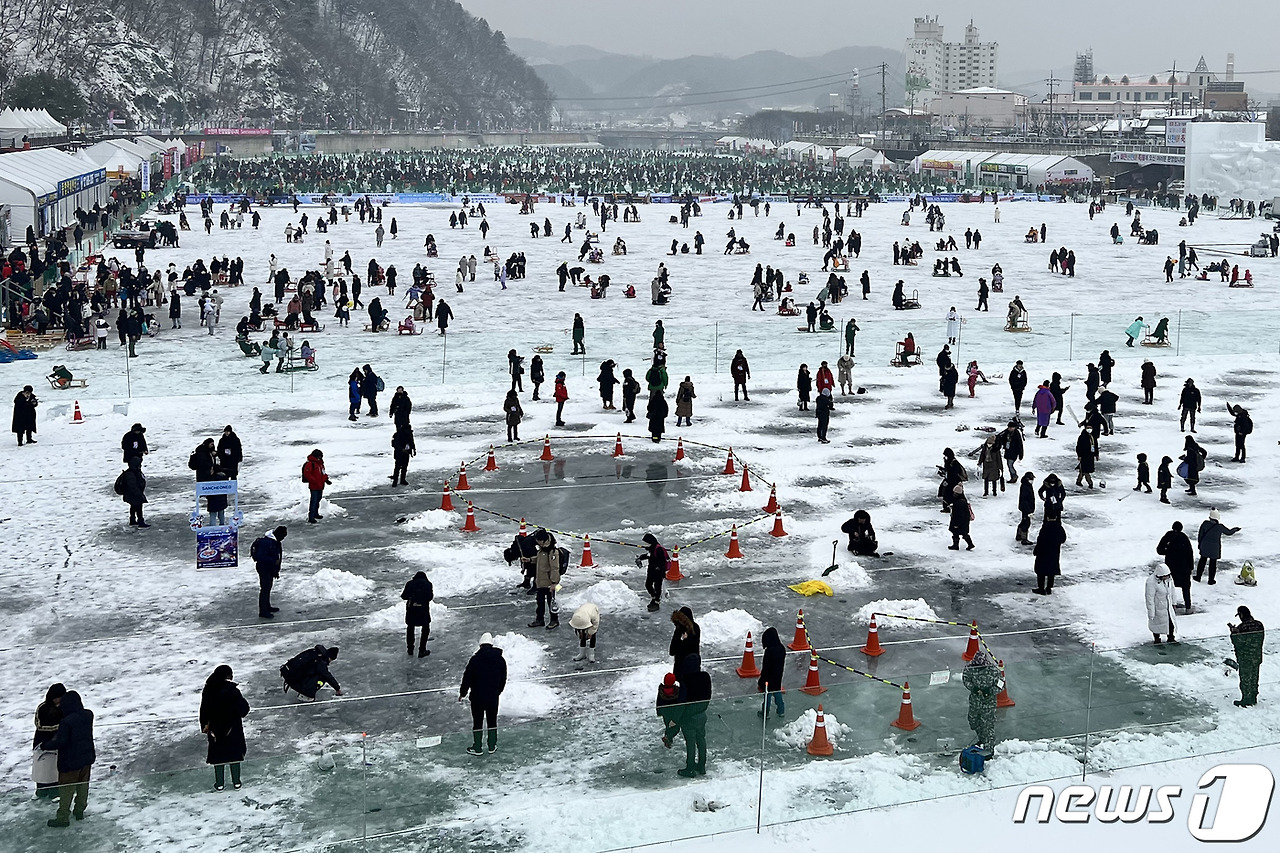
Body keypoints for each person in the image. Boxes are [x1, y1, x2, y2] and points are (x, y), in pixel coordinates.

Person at [44, 691, 94, 828]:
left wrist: (45, 745)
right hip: (86, 757)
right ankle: (79, 811)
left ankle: (63, 818)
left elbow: (61, 742)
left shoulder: (66, 722)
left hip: (70, 761)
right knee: (83, 786)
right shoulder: (88, 715)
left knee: (66, 790)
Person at [199, 666, 250, 792]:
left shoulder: (209, 689)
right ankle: (236, 782)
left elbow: (203, 709)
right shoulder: (233, 691)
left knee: (218, 756)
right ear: (228, 675)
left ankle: (220, 784)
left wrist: (204, 725)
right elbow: (243, 710)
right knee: (234, 755)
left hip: (215, 730)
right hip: (233, 729)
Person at [459, 633, 507, 755]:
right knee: (492, 721)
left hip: (477, 697)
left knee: (477, 722)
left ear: (480, 645)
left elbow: (467, 678)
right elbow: (503, 678)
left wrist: (463, 693)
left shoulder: (475, 660)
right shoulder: (500, 660)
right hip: (492, 697)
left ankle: (477, 747)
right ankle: (492, 745)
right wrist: (497, 692)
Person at [962, 649, 1001, 756]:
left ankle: (989, 749)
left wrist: (989, 691)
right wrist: (973, 688)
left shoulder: (993, 670)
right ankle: (982, 739)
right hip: (975, 701)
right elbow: (966, 679)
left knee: (987, 726)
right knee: (973, 721)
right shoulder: (970, 668)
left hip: (988, 703)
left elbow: (1001, 685)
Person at [32, 683, 66, 798]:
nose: (57, 700)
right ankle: (41, 791)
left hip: (58, 742)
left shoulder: (65, 707)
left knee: (55, 769)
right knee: (42, 769)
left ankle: (55, 792)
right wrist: (59, 727)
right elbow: (39, 724)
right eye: (56, 697)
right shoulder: (42, 708)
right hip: (43, 741)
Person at [1228, 606, 1265, 707]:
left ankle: (1246, 699)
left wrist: (1234, 633)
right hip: (1257, 657)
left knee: (1245, 679)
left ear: (1241, 615)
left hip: (1245, 658)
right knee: (1254, 678)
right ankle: (1253, 697)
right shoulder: (1259, 624)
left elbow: (1238, 643)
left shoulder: (1242, 627)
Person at [1157, 521, 1196, 613]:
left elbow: (1159, 550)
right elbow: (1190, 553)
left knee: (1169, 587)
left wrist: (1168, 552)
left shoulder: (1168, 536)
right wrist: (1191, 567)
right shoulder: (1184, 537)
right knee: (1186, 588)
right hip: (1183, 567)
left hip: (1171, 567)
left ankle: (1171, 606)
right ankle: (1188, 608)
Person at [250, 526, 287, 618]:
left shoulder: (275, 542)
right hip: (263, 568)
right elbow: (261, 557)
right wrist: (273, 562)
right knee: (265, 589)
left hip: (269, 568)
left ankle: (267, 606)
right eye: (283, 536)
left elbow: (277, 556)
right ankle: (263, 611)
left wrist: (275, 570)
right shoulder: (267, 543)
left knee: (268, 587)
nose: (283, 539)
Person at [527, 529, 561, 629]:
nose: (537, 542)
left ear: (543, 540)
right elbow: (539, 559)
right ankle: (539, 620)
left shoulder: (553, 552)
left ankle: (554, 620)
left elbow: (555, 568)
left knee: (551, 602)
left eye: (538, 540)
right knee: (540, 602)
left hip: (550, 583)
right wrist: (530, 560)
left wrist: (554, 583)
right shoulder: (542, 550)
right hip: (540, 582)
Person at [1196, 509, 1241, 584]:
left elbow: (1200, 535)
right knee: (1213, 564)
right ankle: (1211, 580)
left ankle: (1198, 577)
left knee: (1202, 561)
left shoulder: (1205, 524)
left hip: (1204, 546)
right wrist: (1235, 529)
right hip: (1214, 548)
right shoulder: (1220, 527)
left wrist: (1200, 544)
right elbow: (1229, 532)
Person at [402, 570, 434, 657]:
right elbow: (430, 597)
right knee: (425, 627)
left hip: (411, 609)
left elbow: (404, 596)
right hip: (423, 609)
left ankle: (410, 649)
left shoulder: (410, 583)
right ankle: (422, 650)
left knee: (410, 627)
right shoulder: (428, 584)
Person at [757, 626, 786, 719]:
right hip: (778, 676)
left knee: (767, 695)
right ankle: (781, 711)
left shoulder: (769, 651)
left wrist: (762, 679)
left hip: (768, 677)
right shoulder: (781, 648)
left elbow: (766, 667)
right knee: (777, 693)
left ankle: (765, 713)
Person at [1032, 517, 1066, 595]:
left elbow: (1040, 540)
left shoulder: (1045, 528)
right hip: (1054, 552)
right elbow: (1063, 539)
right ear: (1056, 517)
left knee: (1041, 570)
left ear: (1047, 518)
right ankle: (1049, 588)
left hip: (1043, 552)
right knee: (1051, 570)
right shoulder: (1059, 527)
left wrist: (1036, 550)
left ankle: (1041, 588)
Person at [1145, 565, 1178, 644]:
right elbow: (1149, 598)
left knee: (1171, 623)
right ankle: (1157, 639)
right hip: (1158, 608)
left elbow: (1172, 591)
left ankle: (1171, 638)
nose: (1166, 578)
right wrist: (1151, 612)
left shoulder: (1168, 580)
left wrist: (1174, 602)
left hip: (1168, 607)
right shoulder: (1151, 582)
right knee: (1157, 624)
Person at [637, 532, 670, 611]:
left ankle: (657, 601)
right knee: (648, 584)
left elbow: (662, 561)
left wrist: (658, 568)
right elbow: (649, 555)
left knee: (657, 587)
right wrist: (640, 557)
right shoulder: (651, 549)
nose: (645, 544)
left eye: (646, 543)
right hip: (651, 570)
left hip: (658, 572)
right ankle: (654, 597)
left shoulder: (658, 549)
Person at [669, 606, 702, 681]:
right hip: (691, 665)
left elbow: (673, 650)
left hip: (684, 666)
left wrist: (682, 640)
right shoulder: (692, 628)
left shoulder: (683, 629)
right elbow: (672, 650)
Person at [116, 456, 149, 528]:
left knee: (134, 507)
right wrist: (138, 493)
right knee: (138, 507)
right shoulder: (131, 473)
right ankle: (140, 521)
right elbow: (132, 485)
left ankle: (133, 520)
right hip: (133, 494)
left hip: (131, 494)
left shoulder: (133, 472)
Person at [302, 449, 331, 523]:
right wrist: (314, 481)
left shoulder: (320, 464)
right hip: (314, 486)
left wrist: (326, 480)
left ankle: (316, 513)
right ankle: (311, 517)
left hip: (320, 485)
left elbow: (323, 473)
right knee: (313, 501)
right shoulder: (310, 464)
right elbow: (307, 474)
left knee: (318, 500)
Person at [948, 484, 974, 550]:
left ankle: (956, 545)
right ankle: (970, 544)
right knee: (964, 533)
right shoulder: (962, 500)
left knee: (955, 532)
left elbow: (958, 514)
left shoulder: (959, 502)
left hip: (958, 521)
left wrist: (956, 524)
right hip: (964, 521)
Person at [1016, 472, 1036, 545]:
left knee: (1023, 521)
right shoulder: (1026, 486)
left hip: (1025, 507)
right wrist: (1029, 510)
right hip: (1026, 508)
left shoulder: (1026, 485)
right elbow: (1025, 499)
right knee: (1026, 523)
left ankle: (1019, 535)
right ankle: (1024, 539)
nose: (1032, 480)